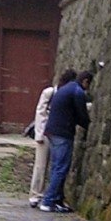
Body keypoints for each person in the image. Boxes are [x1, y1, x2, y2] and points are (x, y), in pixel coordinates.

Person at [39, 67, 91, 214]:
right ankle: (48, 201)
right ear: (85, 81)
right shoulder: (77, 91)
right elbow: (82, 115)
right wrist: (89, 125)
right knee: (61, 168)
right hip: (63, 133)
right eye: (88, 85)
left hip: (52, 131)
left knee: (56, 167)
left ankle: (57, 200)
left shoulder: (65, 88)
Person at [28, 71, 75, 207]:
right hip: (45, 132)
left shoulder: (67, 95)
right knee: (41, 165)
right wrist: (39, 135)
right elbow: (40, 113)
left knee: (56, 165)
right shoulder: (50, 92)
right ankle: (35, 194)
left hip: (57, 132)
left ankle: (53, 194)